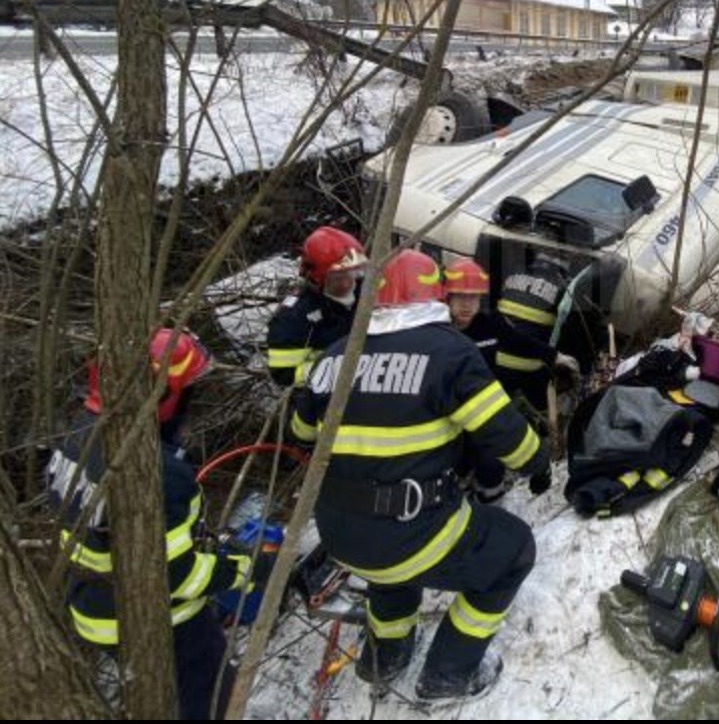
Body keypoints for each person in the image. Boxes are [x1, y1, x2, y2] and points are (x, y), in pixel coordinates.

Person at [289, 250, 551, 700]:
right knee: (513, 551)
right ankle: (448, 674)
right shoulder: (450, 352)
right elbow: (509, 438)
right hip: (414, 528)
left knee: (389, 574)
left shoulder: (333, 357)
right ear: (436, 295)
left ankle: (384, 659)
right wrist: (539, 461)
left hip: (339, 535)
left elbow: (300, 432)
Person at [48, 329, 258, 720]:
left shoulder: (75, 440)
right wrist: (238, 567)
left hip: (90, 608)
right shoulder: (161, 474)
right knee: (212, 697)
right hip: (155, 620)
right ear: (165, 397)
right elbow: (177, 578)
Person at [444, 258, 575, 502]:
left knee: (490, 466)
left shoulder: (489, 324)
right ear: (446, 297)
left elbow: (516, 340)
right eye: (459, 296)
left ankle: (489, 503)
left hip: (483, 412)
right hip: (449, 419)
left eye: (472, 297)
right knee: (456, 468)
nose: (466, 304)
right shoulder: (437, 331)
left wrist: (555, 356)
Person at [266, 226, 367, 387]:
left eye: (354, 272)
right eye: (340, 277)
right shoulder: (294, 318)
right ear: (319, 279)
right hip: (322, 398)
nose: (350, 282)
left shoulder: (366, 292)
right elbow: (284, 374)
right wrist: (335, 371)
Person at [494, 251, 572, 411]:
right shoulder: (564, 288)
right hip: (530, 367)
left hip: (495, 360)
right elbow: (563, 333)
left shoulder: (514, 272)